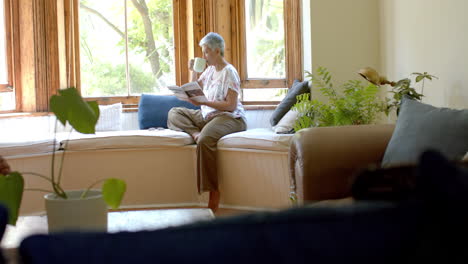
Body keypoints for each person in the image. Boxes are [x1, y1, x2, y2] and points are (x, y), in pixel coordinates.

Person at [167, 32, 247, 212]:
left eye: (206, 52)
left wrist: (204, 102)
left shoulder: (229, 72)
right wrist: (194, 72)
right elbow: (194, 89)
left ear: (217, 51)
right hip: (207, 116)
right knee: (174, 113)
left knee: (205, 141)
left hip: (229, 118)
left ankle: (213, 193)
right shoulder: (209, 71)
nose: (204, 56)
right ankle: (195, 133)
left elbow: (231, 105)